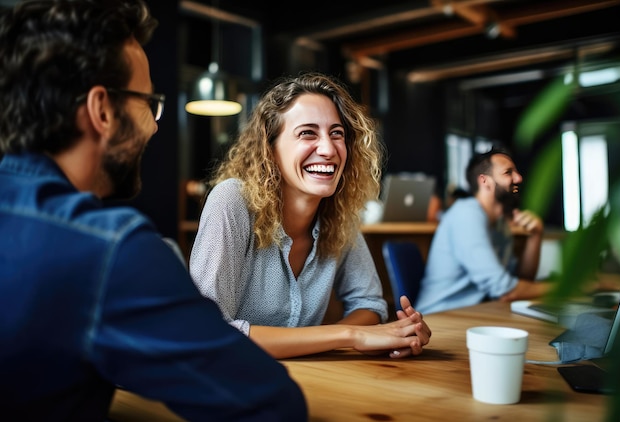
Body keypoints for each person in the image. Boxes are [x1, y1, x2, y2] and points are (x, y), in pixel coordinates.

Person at [0, 1, 306, 420]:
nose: (155, 125)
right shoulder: (109, 251)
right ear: (102, 110)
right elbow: (271, 404)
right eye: (149, 103)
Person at [189, 72, 432, 360]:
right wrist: (350, 335)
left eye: (336, 133)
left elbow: (369, 304)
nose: (328, 149)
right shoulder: (232, 201)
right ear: (270, 148)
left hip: (306, 382)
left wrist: (387, 334)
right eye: (308, 133)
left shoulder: (341, 214)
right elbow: (205, 333)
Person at [415, 147, 552, 314]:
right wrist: (571, 287)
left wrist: (535, 236)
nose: (519, 178)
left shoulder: (500, 224)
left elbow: (521, 281)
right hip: (439, 319)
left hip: (474, 314)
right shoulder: (466, 215)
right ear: (484, 181)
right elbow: (506, 290)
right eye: (508, 172)